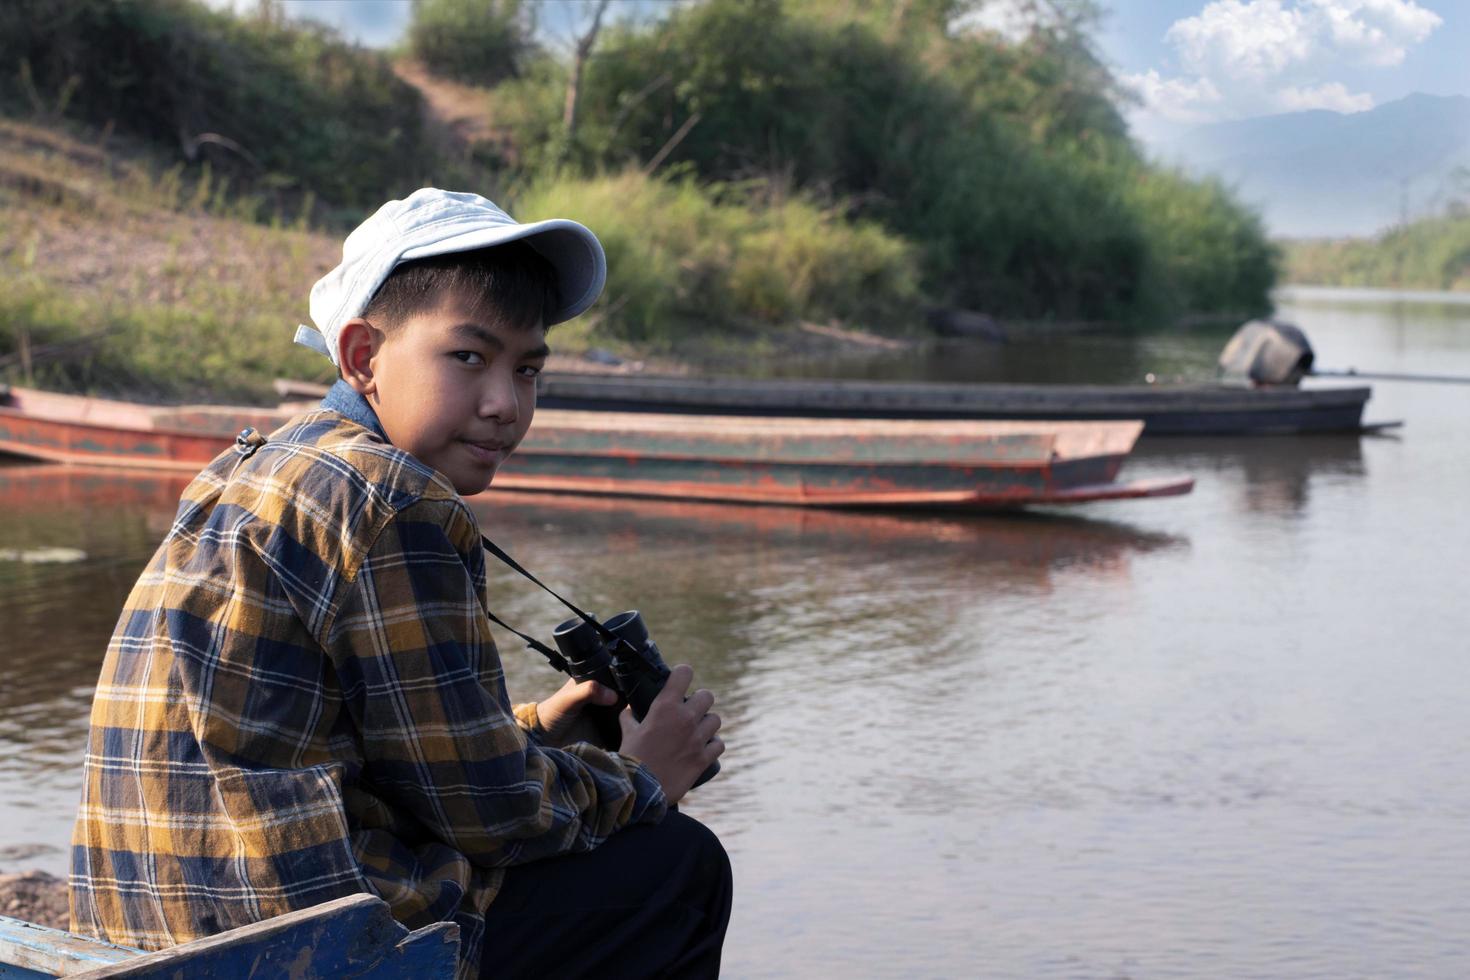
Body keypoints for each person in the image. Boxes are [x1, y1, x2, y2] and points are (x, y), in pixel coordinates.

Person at [69, 189, 732, 979]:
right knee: (678, 867)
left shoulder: (253, 463)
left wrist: (539, 728)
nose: (504, 405)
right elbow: (491, 816)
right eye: (468, 358)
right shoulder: (392, 498)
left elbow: (383, 751)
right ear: (361, 356)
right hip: (277, 941)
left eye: (527, 370)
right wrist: (643, 778)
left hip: (137, 919)